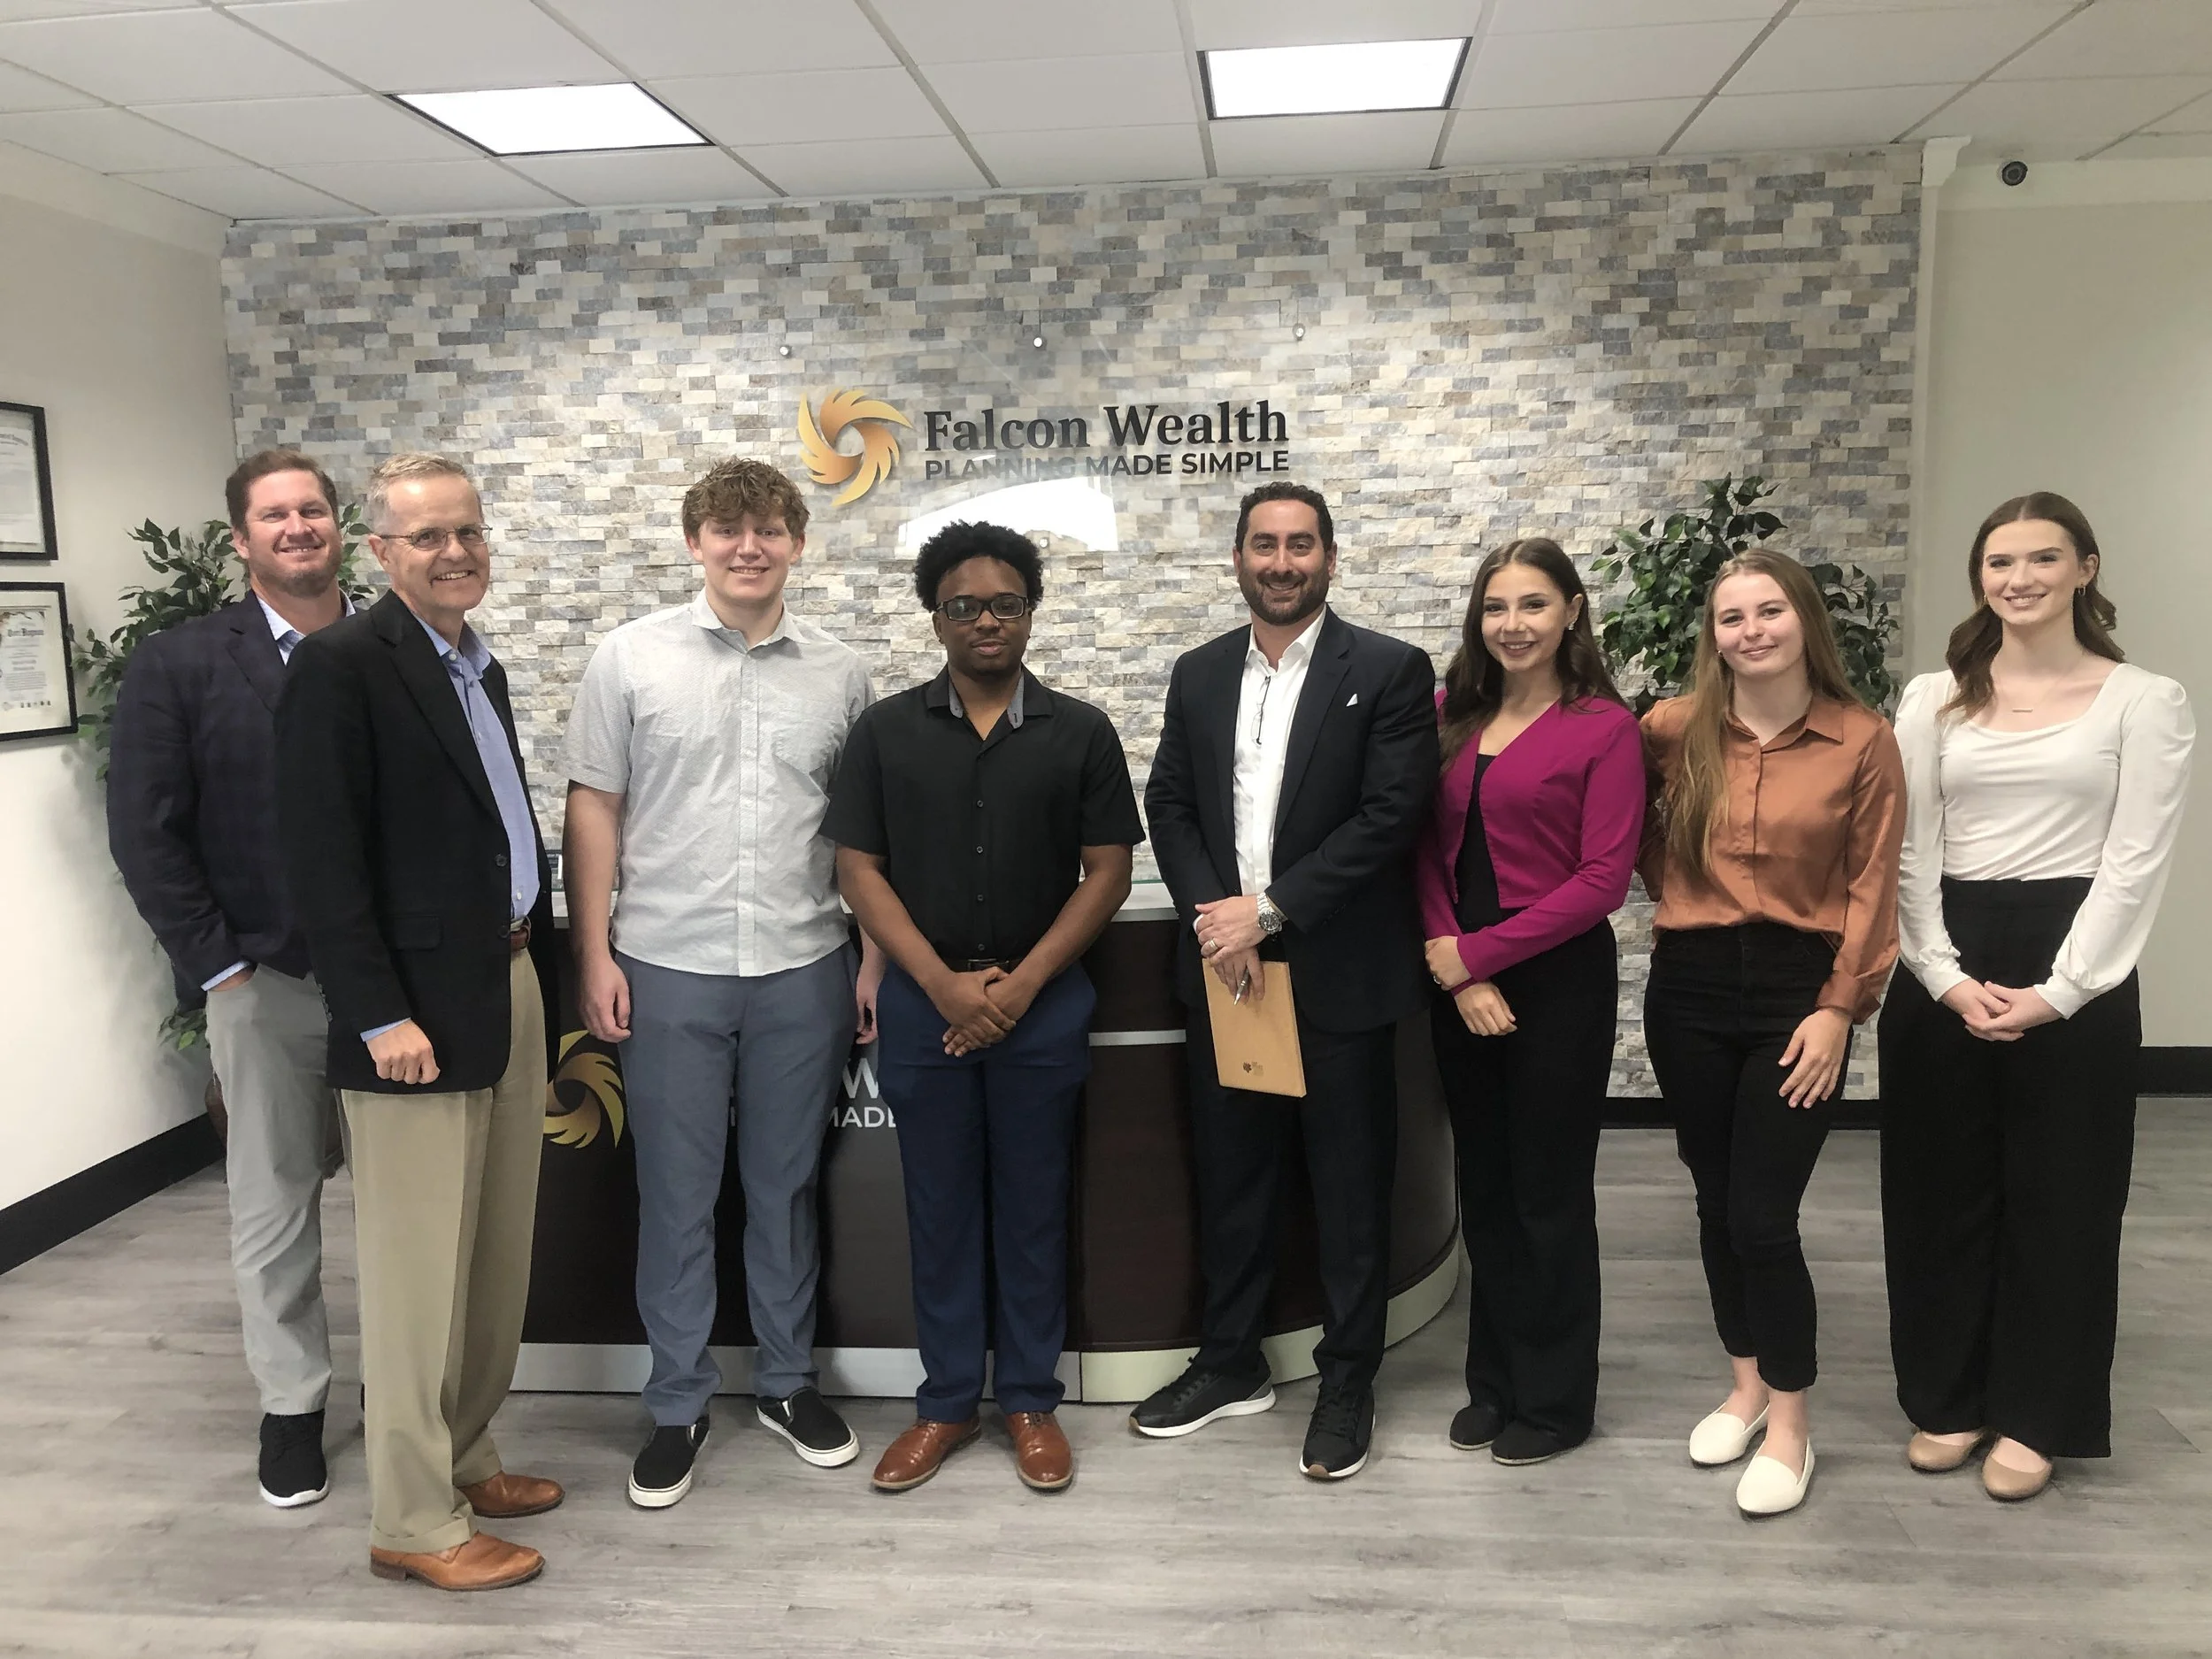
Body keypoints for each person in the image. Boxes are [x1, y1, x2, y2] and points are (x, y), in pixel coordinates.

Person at [564, 458, 878, 1508]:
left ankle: (787, 1384)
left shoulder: (841, 673)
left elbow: (862, 836)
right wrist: (594, 950)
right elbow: (594, 806)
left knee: (784, 1191)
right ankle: (677, 1403)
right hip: (666, 966)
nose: (750, 546)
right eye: (728, 529)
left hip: (803, 964)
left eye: (770, 529)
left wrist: (869, 959)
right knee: (678, 1197)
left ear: (797, 543)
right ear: (694, 542)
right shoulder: (629, 659)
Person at [275, 453, 562, 1591]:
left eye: (469, 532)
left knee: (492, 1261)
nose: (455, 553)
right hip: (411, 1018)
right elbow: (321, 860)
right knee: (413, 1279)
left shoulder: (476, 670)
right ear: (380, 555)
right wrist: (378, 1011)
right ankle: (412, 1517)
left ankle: (467, 1452)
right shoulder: (343, 669)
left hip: (505, 983)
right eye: (428, 538)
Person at [1883, 492, 2192, 1502]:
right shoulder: (1931, 696)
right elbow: (1910, 849)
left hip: (2078, 966)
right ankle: (1949, 1394)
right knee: (1937, 1193)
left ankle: (2036, 1413)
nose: (2018, 577)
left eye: (2042, 558)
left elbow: (2135, 862)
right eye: (1999, 561)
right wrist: (1937, 972)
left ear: (2085, 569)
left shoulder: (2144, 699)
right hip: (1946, 958)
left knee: (2062, 1200)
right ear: (1980, 578)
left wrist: (2061, 992)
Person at [823, 520, 1141, 1494]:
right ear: (935, 618)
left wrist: (1023, 984)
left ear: (1031, 613)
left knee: (1034, 1209)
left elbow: (1108, 872)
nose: (985, 621)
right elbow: (856, 869)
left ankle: (1031, 1402)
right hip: (928, 1007)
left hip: (1041, 1009)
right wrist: (943, 984)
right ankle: (948, 1403)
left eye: (1004, 604)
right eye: (963, 606)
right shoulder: (884, 732)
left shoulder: (1079, 730)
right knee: (943, 1211)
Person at [1134, 481, 1439, 1481]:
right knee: (1234, 1184)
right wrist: (1215, 919)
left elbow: (1390, 818)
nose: (1281, 561)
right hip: (1229, 980)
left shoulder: (1388, 672)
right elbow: (1170, 800)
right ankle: (1230, 1363)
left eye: (1300, 545)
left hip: (1339, 982)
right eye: (1263, 544)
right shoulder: (1199, 672)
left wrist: (1265, 910)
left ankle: (1346, 1379)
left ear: (1329, 559)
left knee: (1349, 1197)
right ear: (1236, 559)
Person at [105, 449, 351, 1509]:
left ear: (338, 525)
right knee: (274, 1206)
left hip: (410, 985)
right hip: (269, 983)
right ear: (242, 541)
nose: (298, 527)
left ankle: (416, 1404)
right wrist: (220, 964)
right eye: (274, 515)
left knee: (412, 1208)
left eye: (313, 509)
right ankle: (293, 1409)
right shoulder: (182, 665)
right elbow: (145, 832)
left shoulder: (403, 646)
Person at [1640, 551, 1904, 1517]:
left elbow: (1875, 885)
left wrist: (1840, 1008)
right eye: (1729, 618)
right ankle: (1745, 1386)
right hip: (1690, 987)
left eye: (1768, 612)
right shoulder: (1673, 728)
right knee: (1713, 1201)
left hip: (1801, 993)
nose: (1749, 631)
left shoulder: (1860, 739)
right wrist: (1666, 883)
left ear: (1803, 622)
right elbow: (1625, 822)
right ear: (1711, 635)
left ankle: (1791, 1425)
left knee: (1763, 1214)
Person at [1412, 538, 1642, 1470]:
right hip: (1456, 981)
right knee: (1488, 1191)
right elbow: (1419, 850)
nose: (1512, 625)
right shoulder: (1448, 716)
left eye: (1533, 605)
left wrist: (1477, 956)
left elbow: (1603, 880)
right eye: (1496, 607)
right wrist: (1458, 972)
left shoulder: (1603, 728)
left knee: (1546, 1195)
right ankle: (1493, 1381)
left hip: (1555, 985)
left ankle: (1553, 1401)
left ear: (1572, 613)